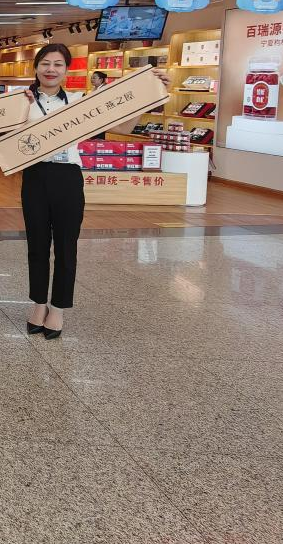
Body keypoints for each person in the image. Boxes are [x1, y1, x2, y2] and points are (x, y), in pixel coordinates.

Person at [18, 44, 169, 339]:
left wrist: (151, 95)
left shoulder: (80, 101)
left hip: (68, 177)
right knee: (37, 245)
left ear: (66, 70)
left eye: (58, 64)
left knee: (66, 245)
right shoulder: (22, 101)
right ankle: (38, 304)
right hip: (34, 176)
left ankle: (58, 308)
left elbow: (123, 126)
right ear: (35, 67)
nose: (51, 69)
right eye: (45, 63)